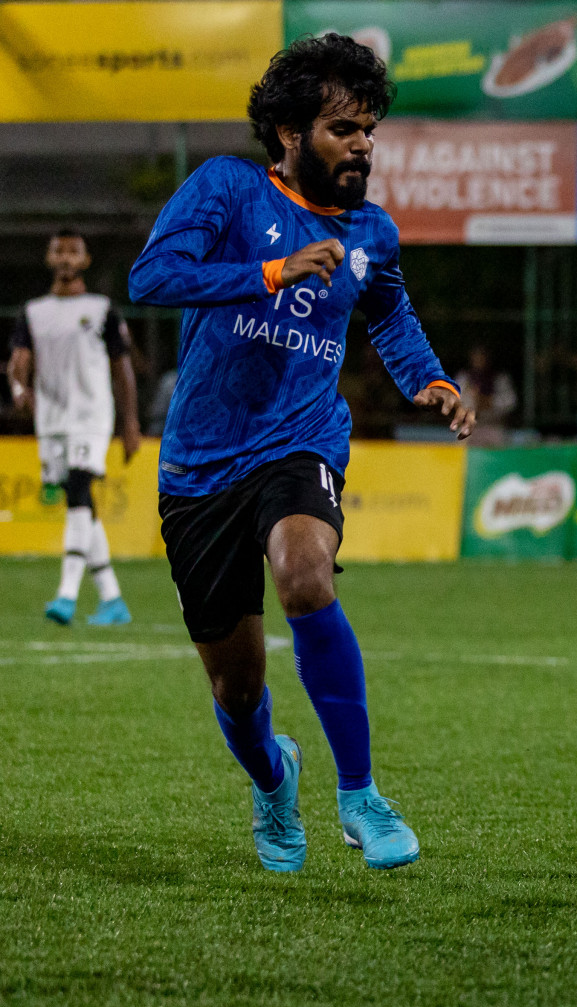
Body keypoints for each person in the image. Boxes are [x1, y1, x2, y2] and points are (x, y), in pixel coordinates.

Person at [127, 34, 474, 873]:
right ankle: (274, 775)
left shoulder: (372, 233)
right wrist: (273, 271)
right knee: (237, 690)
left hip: (302, 437)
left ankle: (360, 794)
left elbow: (388, 313)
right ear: (287, 131)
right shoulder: (228, 189)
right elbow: (152, 279)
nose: (361, 146)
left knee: (305, 572)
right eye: (342, 129)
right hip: (201, 462)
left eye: (369, 132)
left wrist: (429, 380)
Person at [6, 229, 140, 626]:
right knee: (79, 500)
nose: (65, 258)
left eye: (73, 252)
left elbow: (123, 369)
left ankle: (66, 595)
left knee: (80, 488)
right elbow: (19, 361)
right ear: (49, 259)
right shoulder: (33, 312)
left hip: (91, 417)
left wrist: (129, 422)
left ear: (85, 261)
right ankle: (113, 599)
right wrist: (18, 388)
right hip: (51, 422)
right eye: (58, 251)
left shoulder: (102, 309)